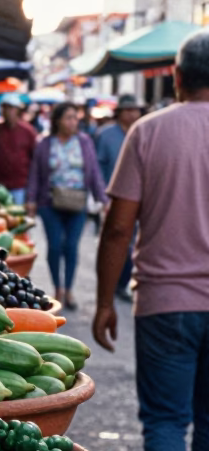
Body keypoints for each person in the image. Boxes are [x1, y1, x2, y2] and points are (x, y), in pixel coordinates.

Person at [93, 30, 209, 451]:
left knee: (166, 420)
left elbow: (119, 226)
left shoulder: (149, 131)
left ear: (176, 76)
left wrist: (100, 300)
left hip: (165, 303)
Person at [26, 102, 107, 309]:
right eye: (68, 117)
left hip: (77, 202)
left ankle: (69, 289)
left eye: (75, 117)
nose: (73, 121)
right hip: (49, 202)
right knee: (54, 245)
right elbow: (35, 173)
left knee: (71, 246)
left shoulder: (85, 142)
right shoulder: (45, 143)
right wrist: (31, 200)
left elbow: (95, 172)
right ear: (57, 121)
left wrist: (103, 199)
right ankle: (58, 288)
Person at [95, 93, 143, 301]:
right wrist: (101, 196)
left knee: (134, 242)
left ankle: (121, 282)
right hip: (113, 197)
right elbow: (98, 167)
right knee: (117, 237)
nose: (133, 114)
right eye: (128, 110)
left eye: (135, 110)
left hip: (140, 199)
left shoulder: (144, 133)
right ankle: (113, 283)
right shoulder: (106, 135)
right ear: (120, 113)